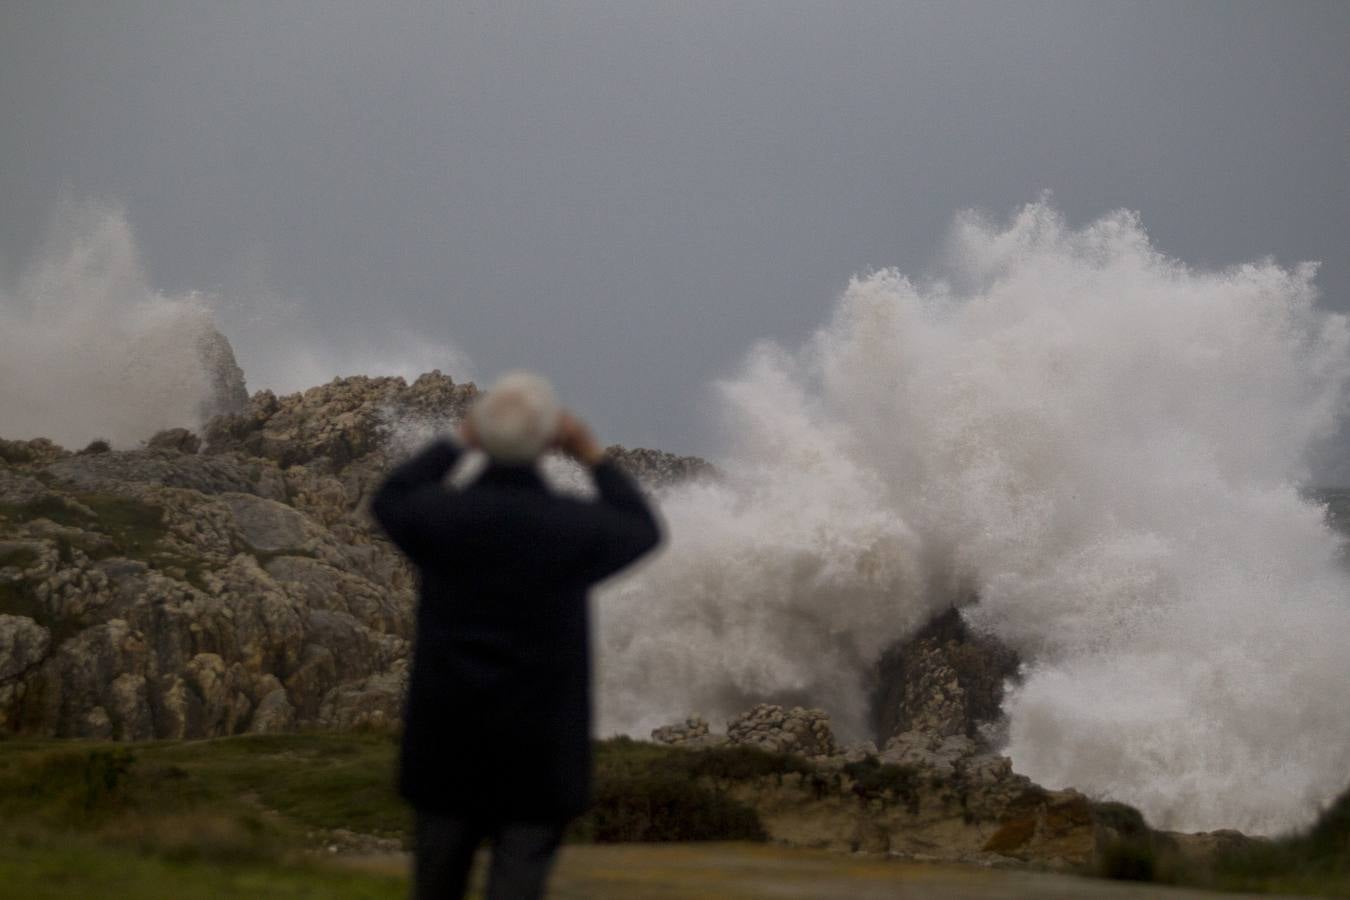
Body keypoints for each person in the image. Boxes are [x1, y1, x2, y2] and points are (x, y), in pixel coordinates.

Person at [370, 371, 662, 899]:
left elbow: (391, 497)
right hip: (539, 755)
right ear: (551, 439)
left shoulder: (443, 517)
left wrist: (459, 439)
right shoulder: (568, 528)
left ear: (481, 432)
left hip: (447, 748)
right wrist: (589, 453)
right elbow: (642, 527)